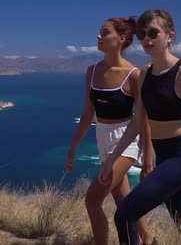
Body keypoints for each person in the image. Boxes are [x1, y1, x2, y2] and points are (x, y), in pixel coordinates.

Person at [98, 9, 181, 245]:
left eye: (153, 33)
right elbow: (137, 122)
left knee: (124, 215)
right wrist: (112, 159)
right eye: (142, 35)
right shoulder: (144, 75)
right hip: (164, 156)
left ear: (170, 36)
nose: (147, 40)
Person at [65, 17, 155, 245]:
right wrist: (73, 148)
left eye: (104, 33)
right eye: (99, 32)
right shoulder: (92, 72)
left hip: (125, 142)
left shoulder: (133, 75)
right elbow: (87, 114)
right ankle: (149, 241)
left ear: (121, 39)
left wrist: (147, 162)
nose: (98, 36)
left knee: (92, 200)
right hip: (102, 140)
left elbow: (143, 119)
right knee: (126, 204)